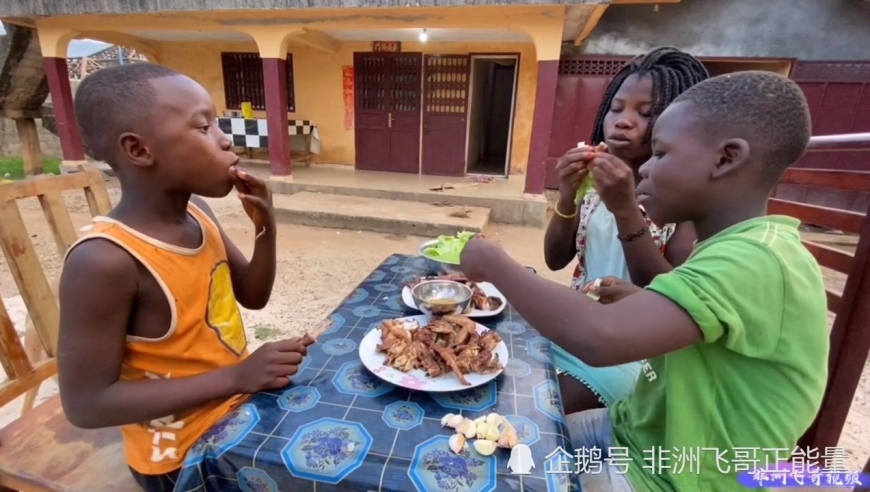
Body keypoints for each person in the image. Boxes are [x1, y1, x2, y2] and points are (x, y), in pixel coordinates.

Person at [458, 71, 828, 491]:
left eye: (661, 153)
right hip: (634, 433)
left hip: (679, 476)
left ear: (726, 158)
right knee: (492, 431)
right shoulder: (732, 246)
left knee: (486, 468)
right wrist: (645, 298)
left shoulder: (758, 258)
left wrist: (494, 261)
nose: (646, 168)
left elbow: (598, 337)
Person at [57, 63, 313, 492]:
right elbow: (85, 405)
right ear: (139, 150)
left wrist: (265, 227)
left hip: (232, 407)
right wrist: (238, 376)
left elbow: (252, 296)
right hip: (180, 456)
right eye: (203, 127)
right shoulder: (105, 260)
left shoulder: (198, 213)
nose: (225, 138)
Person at [543, 47, 709, 413]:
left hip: (638, 350)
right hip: (578, 323)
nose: (623, 121)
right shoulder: (594, 182)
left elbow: (670, 299)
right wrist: (568, 194)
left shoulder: (684, 203)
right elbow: (555, 260)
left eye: (646, 113)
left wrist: (624, 208)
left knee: (545, 404)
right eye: (616, 108)